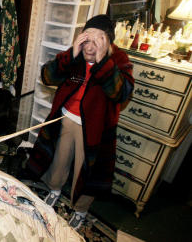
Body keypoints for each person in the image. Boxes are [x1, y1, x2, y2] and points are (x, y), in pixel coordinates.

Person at [25, 14, 134, 230]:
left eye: (97, 40)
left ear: (108, 42)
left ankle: (80, 210)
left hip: (94, 129)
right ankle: (55, 190)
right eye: (86, 38)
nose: (89, 45)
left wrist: (103, 63)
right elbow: (47, 77)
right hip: (65, 117)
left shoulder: (119, 60)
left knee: (85, 173)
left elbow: (121, 94)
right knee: (58, 161)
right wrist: (70, 55)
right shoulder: (76, 54)